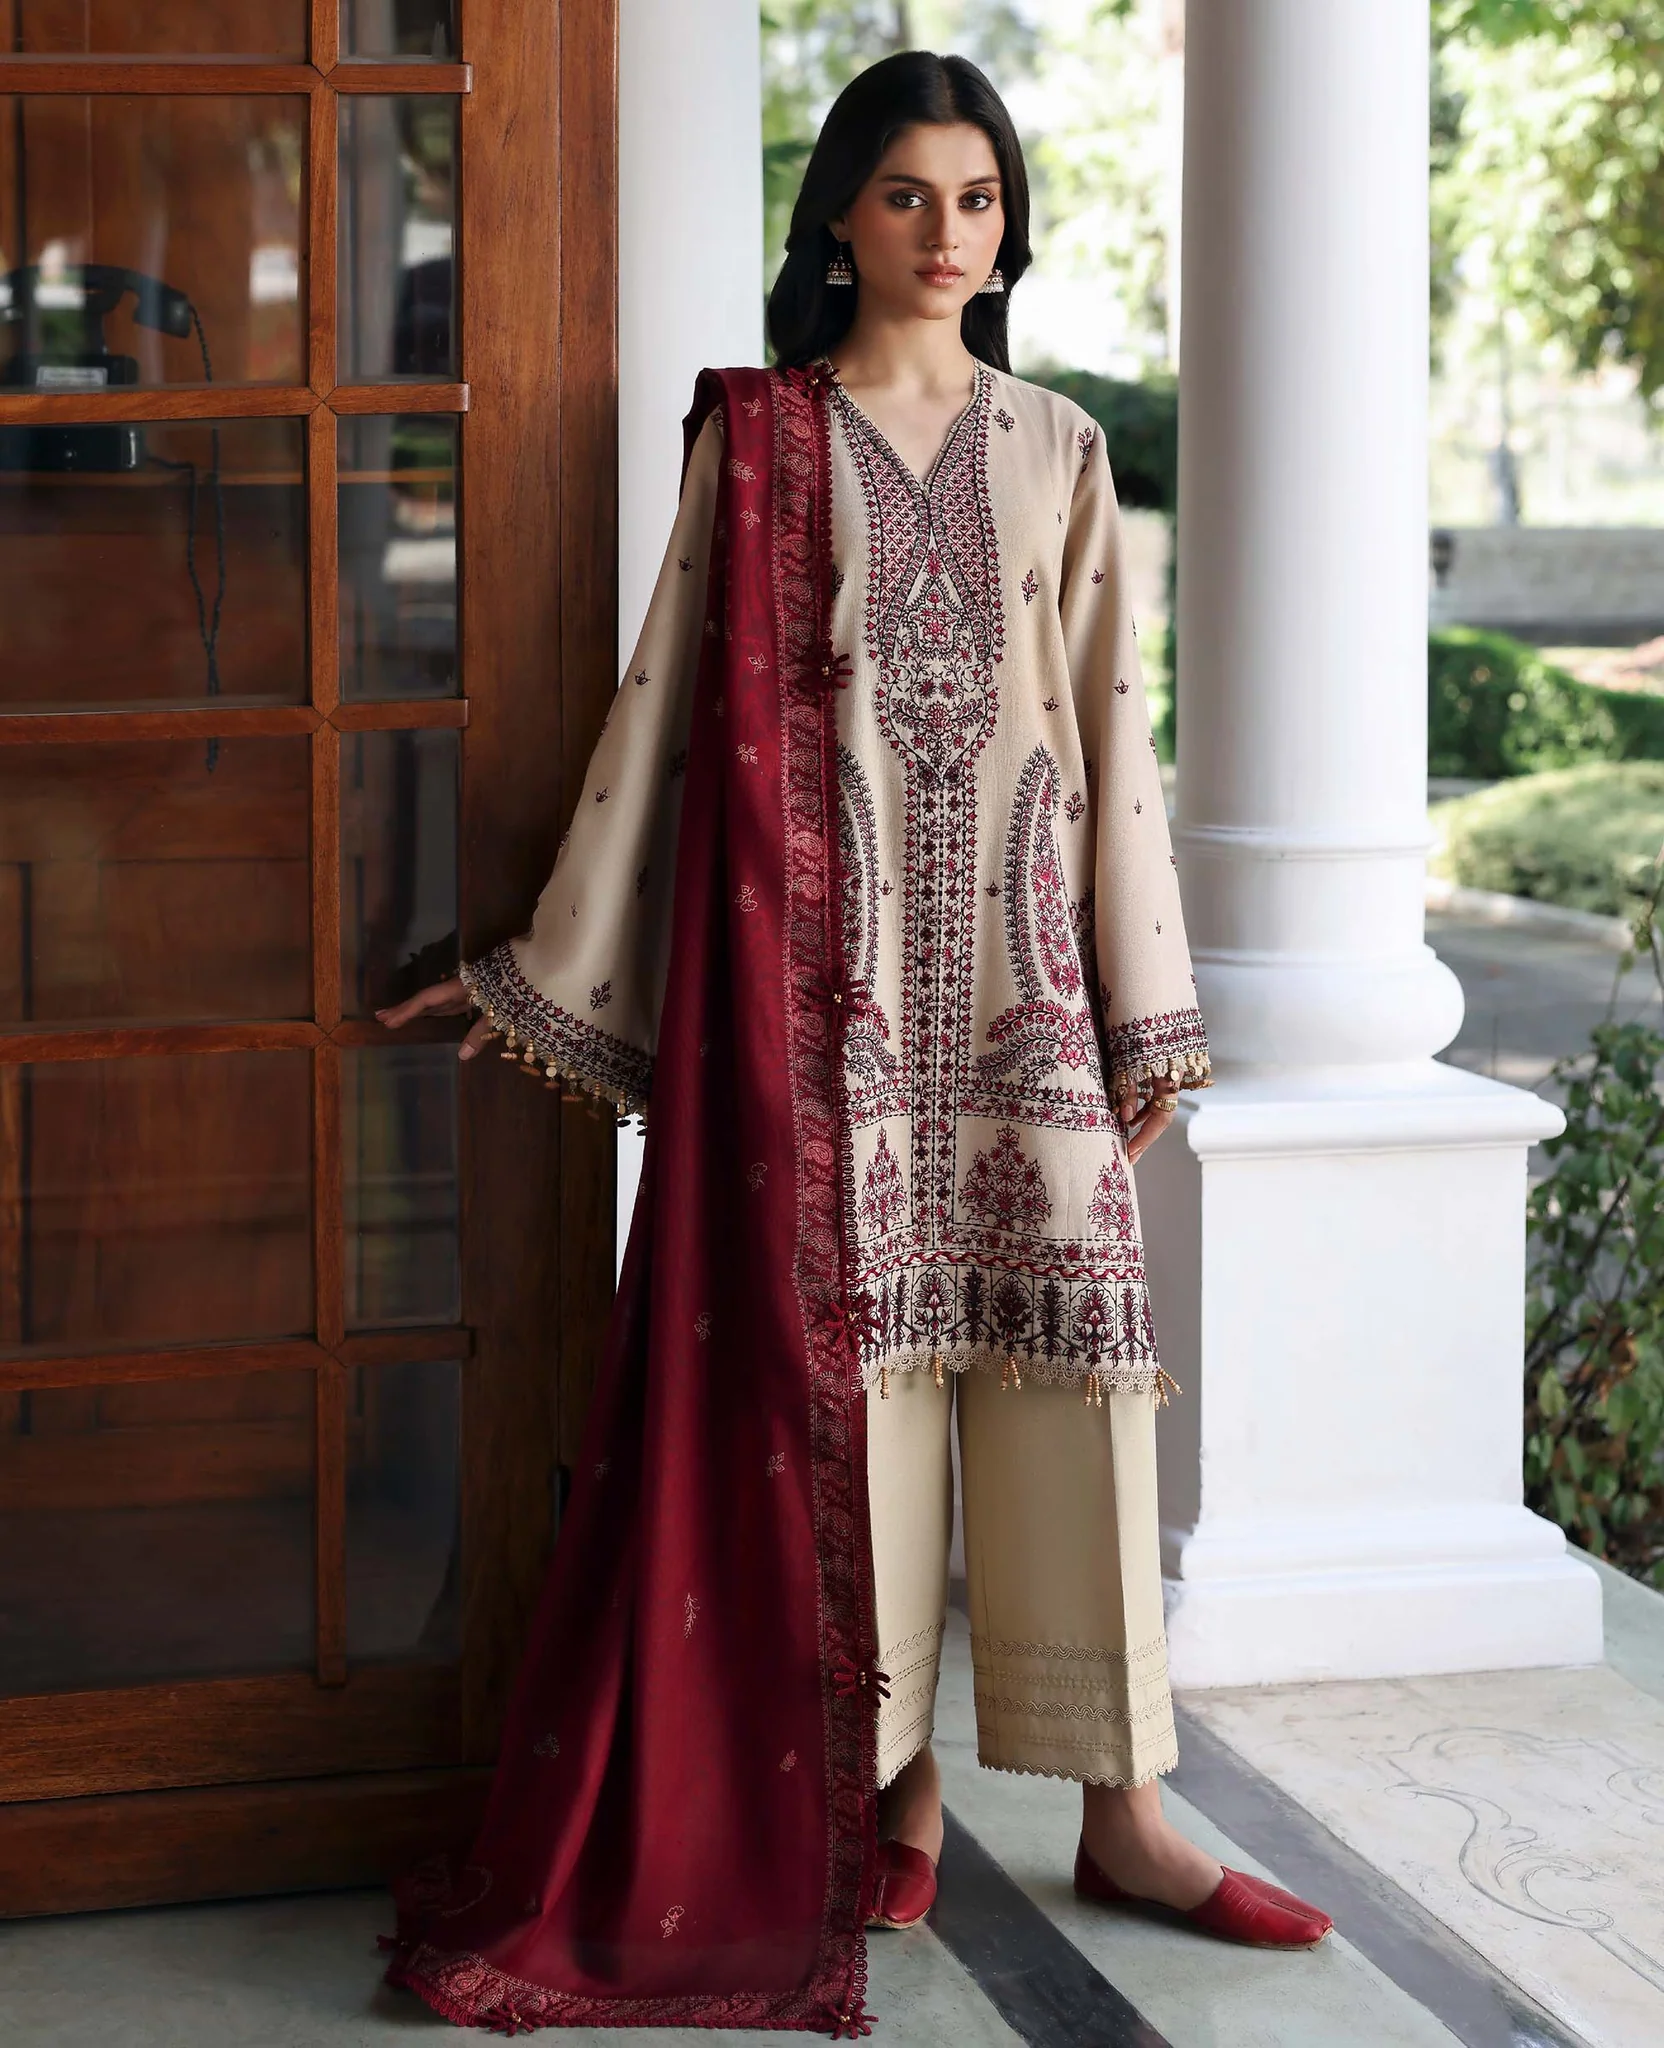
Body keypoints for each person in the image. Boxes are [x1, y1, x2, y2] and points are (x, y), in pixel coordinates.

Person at [376, 49, 1331, 2039]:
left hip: (1023, 989)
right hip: (830, 1015)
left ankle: (1127, 1811)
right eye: (907, 194)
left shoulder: (1060, 448)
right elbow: (660, 714)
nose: (946, 232)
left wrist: (1147, 1009)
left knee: (1074, 1381)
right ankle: (878, 1788)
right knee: (857, 1395)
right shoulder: (762, 442)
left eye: (977, 197)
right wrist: (539, 960)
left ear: (1010, 224)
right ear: (836, 217)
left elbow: (1110, 731)